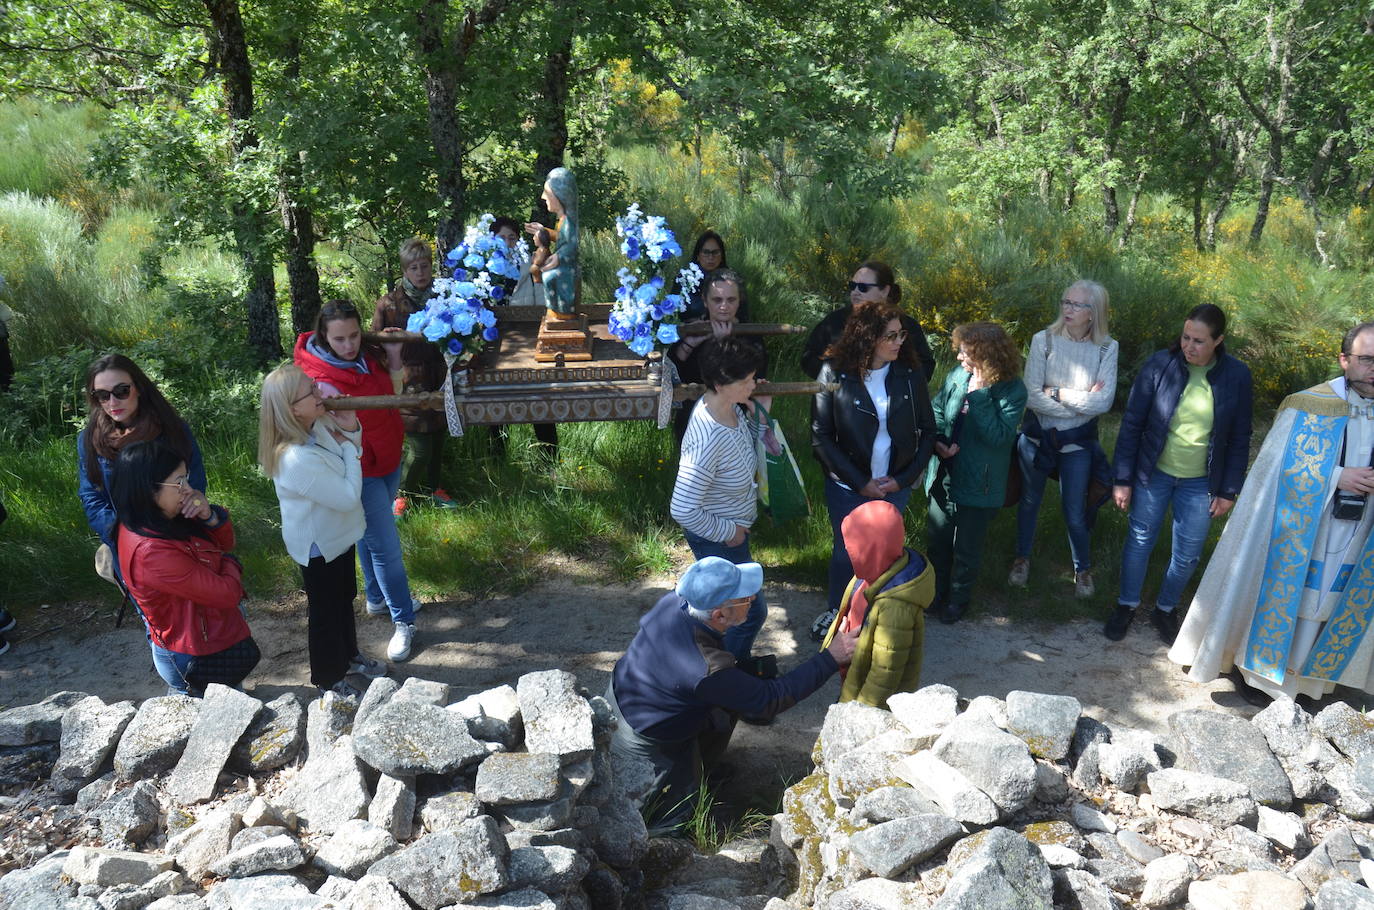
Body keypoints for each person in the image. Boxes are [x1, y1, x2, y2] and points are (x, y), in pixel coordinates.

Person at [1168, 324, 1374, 701]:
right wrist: (1338, 476)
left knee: (1329, 602)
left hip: (1359, 533)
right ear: (1344, 360)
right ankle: (1261, 677)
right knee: (1290, 598)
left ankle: (1310, 683)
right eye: (1366, 359)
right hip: (1305, 528)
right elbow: (1275, 469)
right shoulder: (1310, 403)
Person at [607, 557, 858, 832]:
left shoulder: (677, 602)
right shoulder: (704, 668)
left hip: (630, 698)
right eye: (746, 598)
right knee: (672, 809)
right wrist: (830, 658)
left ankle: (702, 770)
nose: (752, 599)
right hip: (648, 740)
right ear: (720, 616)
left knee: (721, 714)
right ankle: (673, 843)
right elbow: (769, 700)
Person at [1105, 304, 1253, 642]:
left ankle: (1166, 609)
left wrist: (1229, 489)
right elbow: (1131, 425)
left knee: (1187, 554)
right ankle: (1126, 605)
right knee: (1140, 540)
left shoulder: (1236, 376)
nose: (1189, 346)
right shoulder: (1161, 365)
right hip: (1153, 473)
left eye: (1199, 340)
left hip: (1201, 481)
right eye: (1186, 337)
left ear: (1219, 340)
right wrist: (1123, 478)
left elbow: (1241, 436)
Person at [295, 300, 420, 663]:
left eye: (353, 335)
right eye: (339, 339)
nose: (348, 345)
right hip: (356, 468)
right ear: (324, 336)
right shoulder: (314, 377)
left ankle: (377, 598)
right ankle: (404, 620)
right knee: (385, 546)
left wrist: (394, 359)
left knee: (368, 534)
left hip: (388, 456)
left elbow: (390, 398)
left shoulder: (367, 354)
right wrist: (324, 402)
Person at [259, 363, 387, 699]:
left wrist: (351, 429)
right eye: (311, 391)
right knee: (325, 613)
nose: (321, 393)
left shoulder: (316, 426)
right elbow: (347, 495)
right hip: (319, 546)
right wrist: (348, 448)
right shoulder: (295, 458)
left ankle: (349, 656)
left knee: (344, 599)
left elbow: (350, 450)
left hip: (338, 536)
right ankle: (328, 679)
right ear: (292, 408)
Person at [811, 301, 936, 627]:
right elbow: (821, 435)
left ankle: (876, 616)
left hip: (894, 484)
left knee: (884, 554)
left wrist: (904, 478)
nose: (899, 342)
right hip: (847, 485)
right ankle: (837, 615)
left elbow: (928, 430)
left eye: (901, 335)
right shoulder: (832, 372)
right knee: (845, 553)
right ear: (867, 338)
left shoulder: (909, 374)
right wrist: (858, 482)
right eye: (891, 336)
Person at [111, 439, 258, 696]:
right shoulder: (151, 551)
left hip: (210, 637)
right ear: (148, 489)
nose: (188, 489)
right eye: (178, 483)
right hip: (195, 655)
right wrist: (231, 564)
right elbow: (227, 593)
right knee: (205, 726)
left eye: (186, 478)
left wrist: (209, 516)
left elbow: (226, 543)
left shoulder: (166, 517)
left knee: (231, 701)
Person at [1009, 281, 1119, 597]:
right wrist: (1081, 400)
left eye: (1077, 305)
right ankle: (1021, 559)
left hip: (1077, 445)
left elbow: (1103, 403)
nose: (1067, 309)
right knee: (1029, 502)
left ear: (1093, 312)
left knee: (1075, 508)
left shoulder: (1106, 348)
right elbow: (1031, 396)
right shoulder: (1043, 341)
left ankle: (1082, 570)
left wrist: (1056, 392)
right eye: (1065, 302)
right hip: (1037, 439)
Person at [669, 336, 768, 664]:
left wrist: (760, 415)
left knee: (735, 611)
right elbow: (682, 507)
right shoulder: (707, 435)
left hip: (731, 532)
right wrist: (730, 532)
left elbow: (741, 452)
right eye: (747, 380)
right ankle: (723, 674)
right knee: (747, 614)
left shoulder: (732, 410)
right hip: (718, 538)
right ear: (722, 383)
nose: (754, 383)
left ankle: (723, 669)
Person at [926, 322, 1027, 624]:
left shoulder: (1013, 390)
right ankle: (935, 594)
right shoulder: (958, 375)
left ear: (987, 355)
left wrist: (981, 395)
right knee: (938, 541)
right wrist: (939, 442)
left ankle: (958, 600)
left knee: (967, 549)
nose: (959, 358)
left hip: (980, 481)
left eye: (966, 353)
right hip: (944, 471)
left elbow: (998, 436)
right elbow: (938, 409)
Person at [78, 354, 207, 566]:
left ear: (138, 388)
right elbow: (91, 496)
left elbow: (195, 480)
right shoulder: (89, 439)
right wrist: (122, 535)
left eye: (121, 391)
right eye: (102, 395)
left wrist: (196, 509)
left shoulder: (172, 429)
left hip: (178, 533)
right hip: (125, 541)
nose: (112, 402)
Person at [820, 500, 933, 707]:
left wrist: (858, 712)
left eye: (853, 548)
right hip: (854, 674)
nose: (848, 553)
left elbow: (884, 674)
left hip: (869, 703)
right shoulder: (868, 576)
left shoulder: (895, 608)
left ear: (873, 549)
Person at [372, 237, 455, 512]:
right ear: (404, 271)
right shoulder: (389, 304)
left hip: (441, 376)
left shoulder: (443, 297)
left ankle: (434, 489)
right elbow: (376, 345)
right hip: (407, 382)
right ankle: (400, 496)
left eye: (424, 266)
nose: (420, 273)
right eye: (414, 268)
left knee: (437, 440)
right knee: (419, 447)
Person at [669, 269, 768, 447]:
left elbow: (752, 379)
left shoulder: (752, 336)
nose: (724, 306)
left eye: (731, 300)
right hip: (693, 421)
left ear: (739, 302)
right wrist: (689, 343)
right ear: (705, 301)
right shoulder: (691, 329)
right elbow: (672, 374)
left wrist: (724, 344)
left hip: (737, 420)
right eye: (717, 300)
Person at [490, 217, 559, 455]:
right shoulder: (485, 270)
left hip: (528, 343)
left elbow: (542, 304)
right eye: (503, 238)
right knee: (497, 404)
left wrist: (536, 275)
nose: (508, 243)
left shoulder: (529, 266)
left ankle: (549, 459)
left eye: (512, 238)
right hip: (498, 348)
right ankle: (497, 459)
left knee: (539, 400)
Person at [800, 261, 934, 382]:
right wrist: (839, 378)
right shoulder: (834, 321)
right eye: (853, 286)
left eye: (863, 287)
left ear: (885, 291)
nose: (855, 292)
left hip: (893, 404)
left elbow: (926, 367)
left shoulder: (906, 326)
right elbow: (808, 358)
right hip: (844, 402)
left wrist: (895, 383)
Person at [524, 167, 579, 316]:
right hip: (564, 264)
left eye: (547, 193)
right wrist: (543, 231)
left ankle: (563, 312)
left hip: (568, 267)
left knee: (548, 276)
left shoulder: (568, 222)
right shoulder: (562, 220)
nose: (543, 197)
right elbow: (562, 237)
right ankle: (555, 310)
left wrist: (558, 257)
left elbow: (572, 245)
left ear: (560, 196)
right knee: (545, 273)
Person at [679, 231, 727, 321]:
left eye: (715, 252)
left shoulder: (731, 280)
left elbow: (741, 316)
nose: (711, 257)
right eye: (706, 252)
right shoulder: (684, 279)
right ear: (698, 255)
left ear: (722, 256)